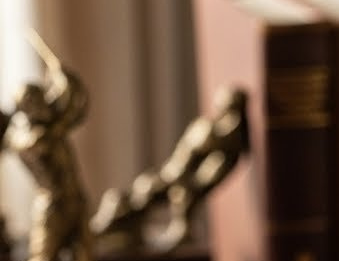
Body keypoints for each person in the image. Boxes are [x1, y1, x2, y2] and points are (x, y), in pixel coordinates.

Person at [1, 33, 95, 261]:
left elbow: (74, 99)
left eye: (44, 98)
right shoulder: (28, 138)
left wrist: (60, 72)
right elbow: (71, 102)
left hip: (77, 204)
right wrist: (64, 80)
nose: (45, 104)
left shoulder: (50, 121)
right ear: (26, 108)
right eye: (37, 102)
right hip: (52, 211)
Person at [91, 86, 249, 252]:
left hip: (178, 178)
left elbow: (198, 168)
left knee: (146, 193)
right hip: (172, 175)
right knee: (129, 195)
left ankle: (99, 229)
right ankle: (100, 229)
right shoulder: (206, 128)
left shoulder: (216, 134)